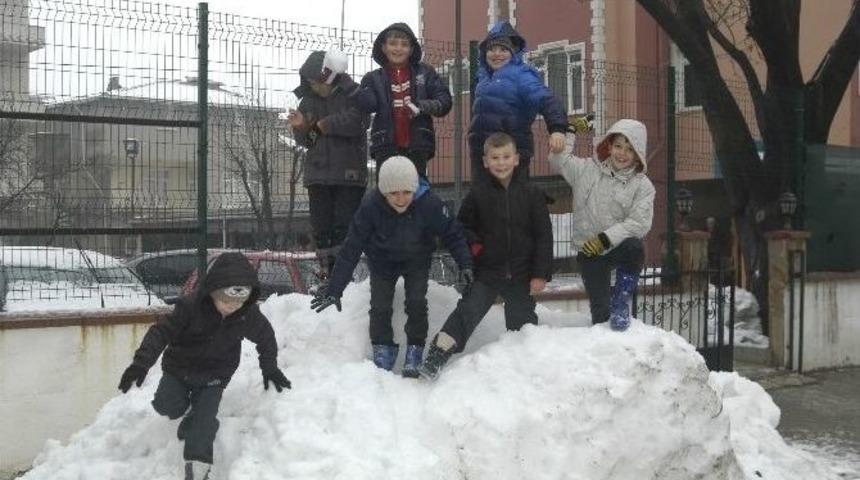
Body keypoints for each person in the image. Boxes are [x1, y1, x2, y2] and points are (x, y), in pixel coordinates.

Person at [117, 252, 290, 480]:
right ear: (213, 292)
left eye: (238, 302)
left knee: (204, 422)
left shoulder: (246, 314)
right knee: (166, 406)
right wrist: (140, 365)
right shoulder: (190, 307)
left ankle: (198, 471)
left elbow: (266, 337)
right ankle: (188, 411)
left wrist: (269, 367)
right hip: (179, 369)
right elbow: (160, 333)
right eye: (226, 301)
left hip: (215, 375)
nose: (232, 307)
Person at [310, 156, 473, 378]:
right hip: (382, 260)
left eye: (407, 192)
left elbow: (452, 233)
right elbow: (352, 247)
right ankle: (383, 350)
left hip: (417, 258)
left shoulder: (428, 204)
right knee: (380, 306)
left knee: (416, 302)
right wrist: (335, 288)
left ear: (414, 189)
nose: (400, 199)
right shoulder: (370, 206)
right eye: (393, 193)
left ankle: (415, 350)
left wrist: (465, 262)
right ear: (383, 192)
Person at [419, 132, 553, 380]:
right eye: (495, 157)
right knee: (467, 312)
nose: (501, 162)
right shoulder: (478, 194)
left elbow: (544, 236)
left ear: (516, 159)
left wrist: (540, 274)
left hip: (522, 275)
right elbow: (462, 228)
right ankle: (438, 353)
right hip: (488, 272)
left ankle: (524, 370)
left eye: (505, 156)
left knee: (523, 326)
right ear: (485, 161)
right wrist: (477, 248)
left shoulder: (532, 194)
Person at [548, 119, 656, 331]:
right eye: (618, 146)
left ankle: (622, 298)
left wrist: (604, 239)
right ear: (608, 145)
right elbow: (557, 161)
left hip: (617, 248)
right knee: (601, 317)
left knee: (635, 247)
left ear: (638, 154)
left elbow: (639, 223)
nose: (622, 154)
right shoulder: (586, 170)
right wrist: (569, 133)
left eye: (629, 149)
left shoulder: (643, 186)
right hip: (589, 252)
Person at [288, 49, 369, 284]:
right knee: (322, 229)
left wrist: (324, 124)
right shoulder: (307, 101)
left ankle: (343, 275)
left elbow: (360, 121)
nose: (315, 87)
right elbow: (307, 141)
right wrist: (301, 127)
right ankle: (329, 275)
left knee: (343, 228)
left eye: (318, 82)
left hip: (348, 176)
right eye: (311, 82)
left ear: (330, 77)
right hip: (318, 176)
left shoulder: (352, 94)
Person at [468, 20, 568, 183]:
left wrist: (557, 128)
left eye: (503, 49)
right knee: (484, 202)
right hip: (483, 154)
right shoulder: (483, 77)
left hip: (511, 154)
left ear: (513, 53)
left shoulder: (521, 75)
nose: (496, 54)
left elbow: (546, 99)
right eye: (491, 49)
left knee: (513, 201)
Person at [355, 22, 452, 179]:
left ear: (411, 49)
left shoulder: (425, 72)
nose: (398, 48)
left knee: (416, 192)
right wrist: (357, 90)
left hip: (418, 145)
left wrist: (422, 107)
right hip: (385, 146)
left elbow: (445, 101)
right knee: (387, 193)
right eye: (393, 43)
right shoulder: (373, 78)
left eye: (404, 44)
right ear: (384, 47)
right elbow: (368, 105)